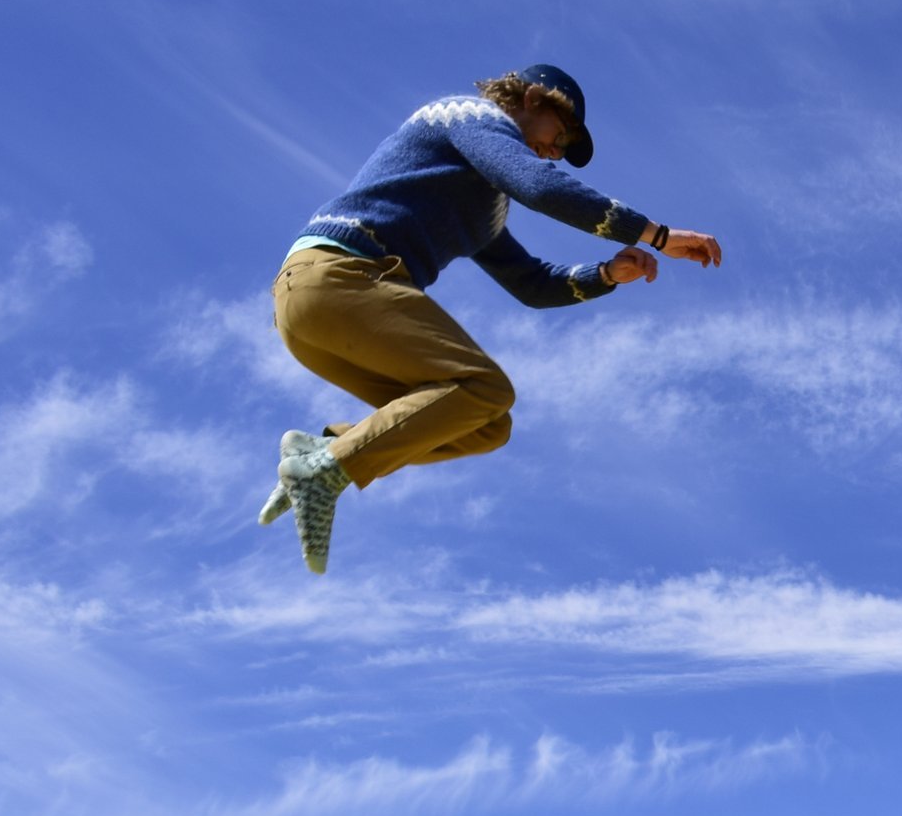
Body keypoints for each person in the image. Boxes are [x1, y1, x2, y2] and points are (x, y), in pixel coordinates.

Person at [259, 64, 721, 572]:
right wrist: (657, 235)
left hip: (316, 319)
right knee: (486, 388)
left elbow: (531, 283)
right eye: (560, 136)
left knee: (486, 424)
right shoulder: (466, 115)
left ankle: (328, 452)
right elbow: (540, 187)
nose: (556, 152)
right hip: (336, 277)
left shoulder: (484, 203)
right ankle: (327, 468)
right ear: (532, 99)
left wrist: (606, 274)